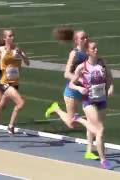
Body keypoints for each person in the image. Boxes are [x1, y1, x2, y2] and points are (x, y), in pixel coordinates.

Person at [45, 29, 105, 160]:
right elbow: (66, 74)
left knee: (91, 121)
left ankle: (89, 150)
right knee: (72, 124)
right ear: (76, 40)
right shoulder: (75, 53)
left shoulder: (90, 52)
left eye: (86, 37)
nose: (85, 39)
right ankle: (56, 109)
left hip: (87, 92)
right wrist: (81, 81)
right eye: (82, 38)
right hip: (73, 91)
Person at [69, 41, 114, 169]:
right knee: (100, 130)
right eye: (93, 48)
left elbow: (109, 77)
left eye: (97, 48)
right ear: (88, 51)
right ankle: (103, 160)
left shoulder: (102, 63)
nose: (96, 50)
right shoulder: (82, 67)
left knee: (98, 130)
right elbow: (72, 83)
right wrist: (79, 89)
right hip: (88, 101)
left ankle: (92, 150)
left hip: (102, 100)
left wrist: (111, 87)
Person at [0, 29, 29, 138]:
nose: (12, 38)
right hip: (5, 83)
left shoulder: (18, 49)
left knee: (1, 106)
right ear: (4, 38)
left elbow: (27, 63)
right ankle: (11, 125)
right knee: (21, 103)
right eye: (9, 36)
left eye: (13, 35)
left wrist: (22, 56)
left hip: (15, 82)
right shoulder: (1, 49)